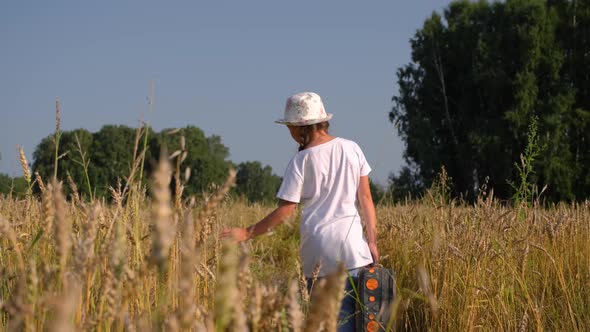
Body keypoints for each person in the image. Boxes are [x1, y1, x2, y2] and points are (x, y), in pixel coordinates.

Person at [222, 92, 379, 332]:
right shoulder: (352, 148)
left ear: (301, 128)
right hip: (355, 251)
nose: (291, 134)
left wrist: (245, 233)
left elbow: (286, 211)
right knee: (365, 321)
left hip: (320, 254)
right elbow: (366, 199)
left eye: (290, 128)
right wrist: (373, 242)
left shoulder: (301, 161)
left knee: (333, 324)